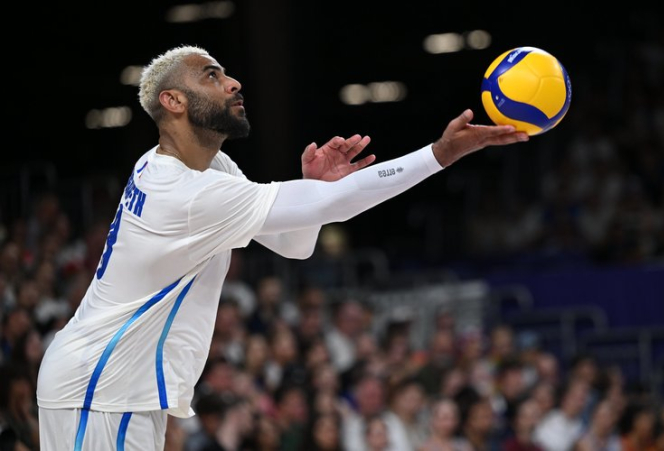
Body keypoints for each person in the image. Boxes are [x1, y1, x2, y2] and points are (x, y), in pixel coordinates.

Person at [34, 44, 528, 450]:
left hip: (110, 386)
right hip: (101, 387)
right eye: (211, 76)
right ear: (174, 102)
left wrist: (311, 191)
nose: (233, 84)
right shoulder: (183, 193)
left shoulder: (208, 170)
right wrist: (439, 155)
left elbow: (293, 247)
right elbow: (336, 205)